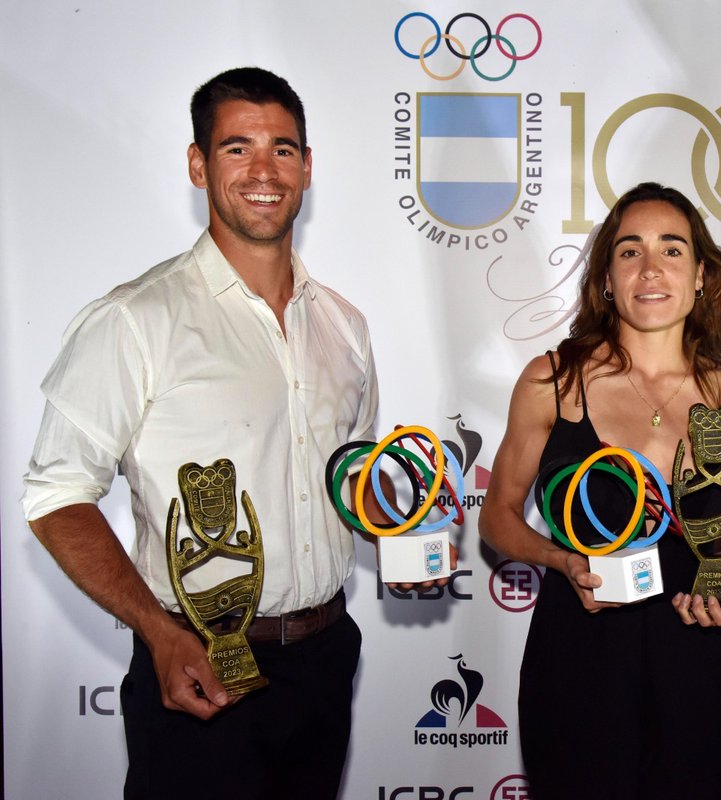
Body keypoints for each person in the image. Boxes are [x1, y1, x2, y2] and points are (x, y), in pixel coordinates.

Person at [20, 67, 425, 799]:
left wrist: (400, 541)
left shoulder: (345, 326)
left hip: (325, 659)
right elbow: (56, 496)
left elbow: (347, 487)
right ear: (198, 165)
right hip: (196, 664)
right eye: (238, 149)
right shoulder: (136, 319)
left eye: (284, 149)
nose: (264, 172)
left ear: (307, 166)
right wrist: (159, 631)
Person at [479, 182, 721, 799]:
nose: (652, 268)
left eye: (672, 250)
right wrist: (561, 559)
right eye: (630, 251)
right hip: (581, 654)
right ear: (607, 278)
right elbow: (497, 518)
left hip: (692, 658)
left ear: (702, 276)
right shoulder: (553, 379)